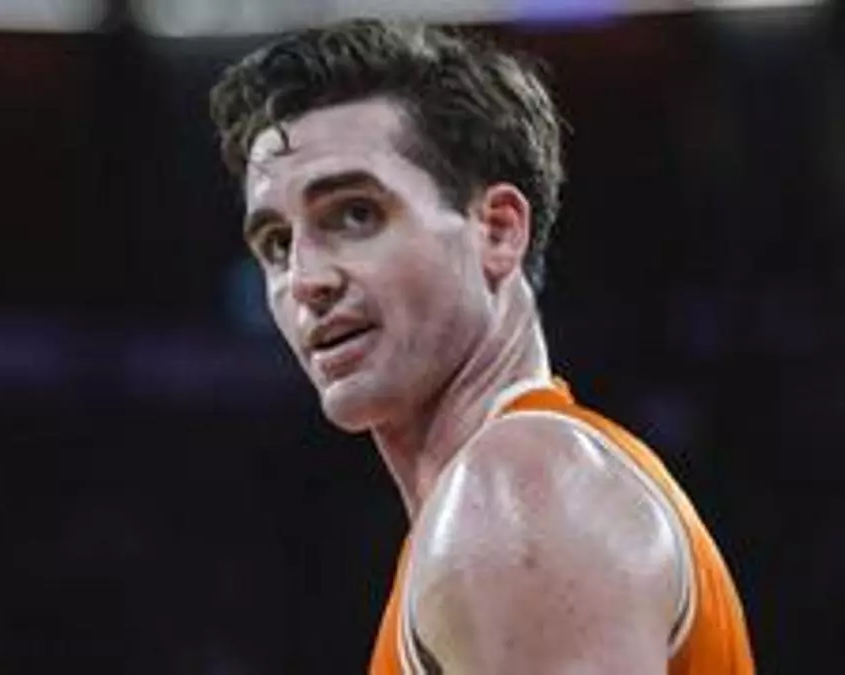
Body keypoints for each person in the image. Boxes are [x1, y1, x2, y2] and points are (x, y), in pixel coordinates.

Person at [208, 18, 754, 674]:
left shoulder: (515, 491)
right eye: (276, 243)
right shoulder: (524, 487)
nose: (305, 280)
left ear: (497, 231)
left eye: (355, 214)